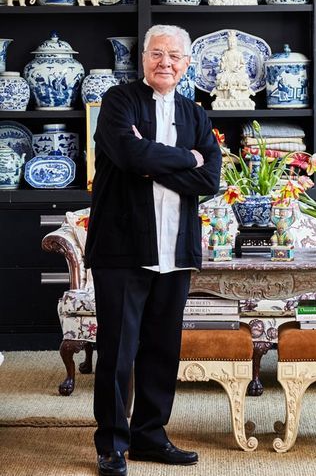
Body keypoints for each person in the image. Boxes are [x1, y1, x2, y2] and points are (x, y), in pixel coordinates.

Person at [84, 24, 222, 476]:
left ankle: (150, 435)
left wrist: (153, 159)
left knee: (163, 349)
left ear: (187, 64)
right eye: (157, 53)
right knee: (119, 351)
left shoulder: (196, 114)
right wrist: (186, 158)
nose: (166, 62)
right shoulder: (119, 101)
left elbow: (209, 180)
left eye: (175, 55)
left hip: (175, 249)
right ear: (143, 58)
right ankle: (111, 445)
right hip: (122, 247)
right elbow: (127, 155)